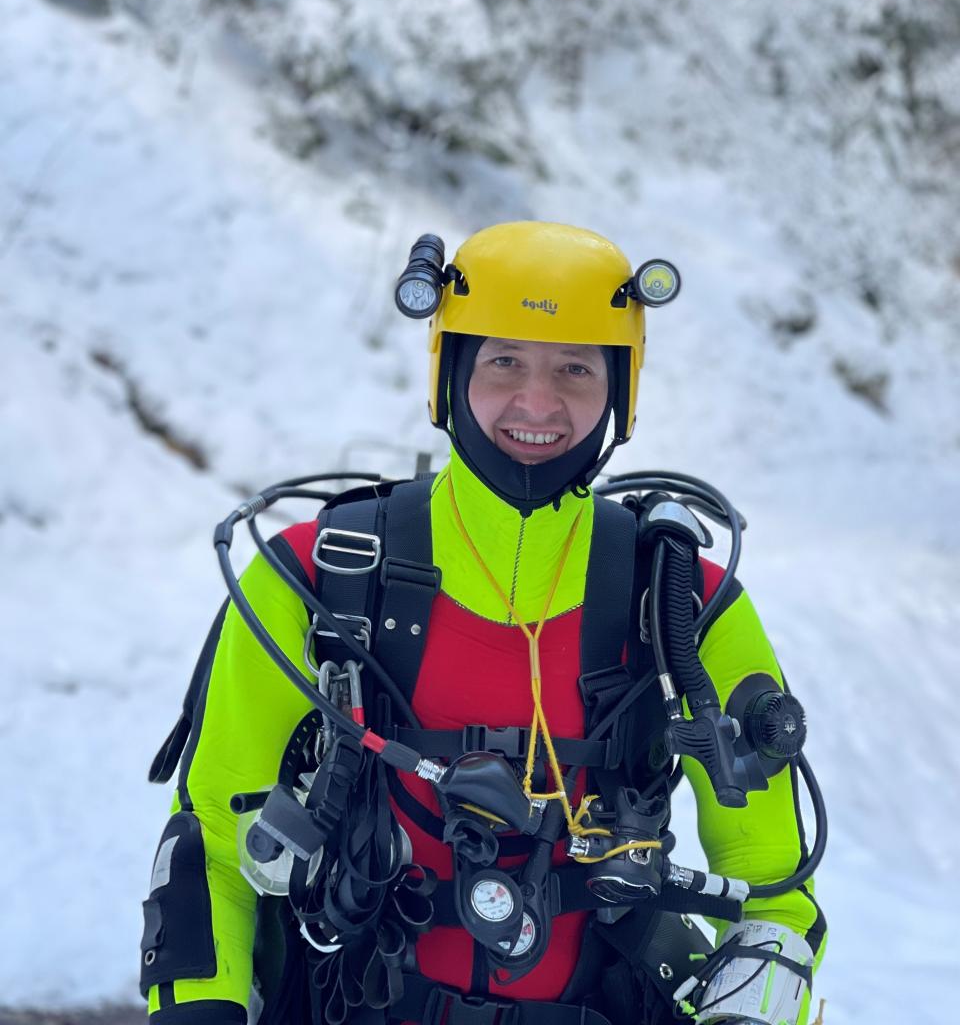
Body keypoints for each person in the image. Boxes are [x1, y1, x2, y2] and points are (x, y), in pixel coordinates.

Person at [140, 222, 826, 1025]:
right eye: (504, 362)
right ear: (449, 370)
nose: (538, 403)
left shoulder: (685, 605)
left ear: (623, 388)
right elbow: (215, 843)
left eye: (576, 367)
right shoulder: (315, 579)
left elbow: (773, 882)